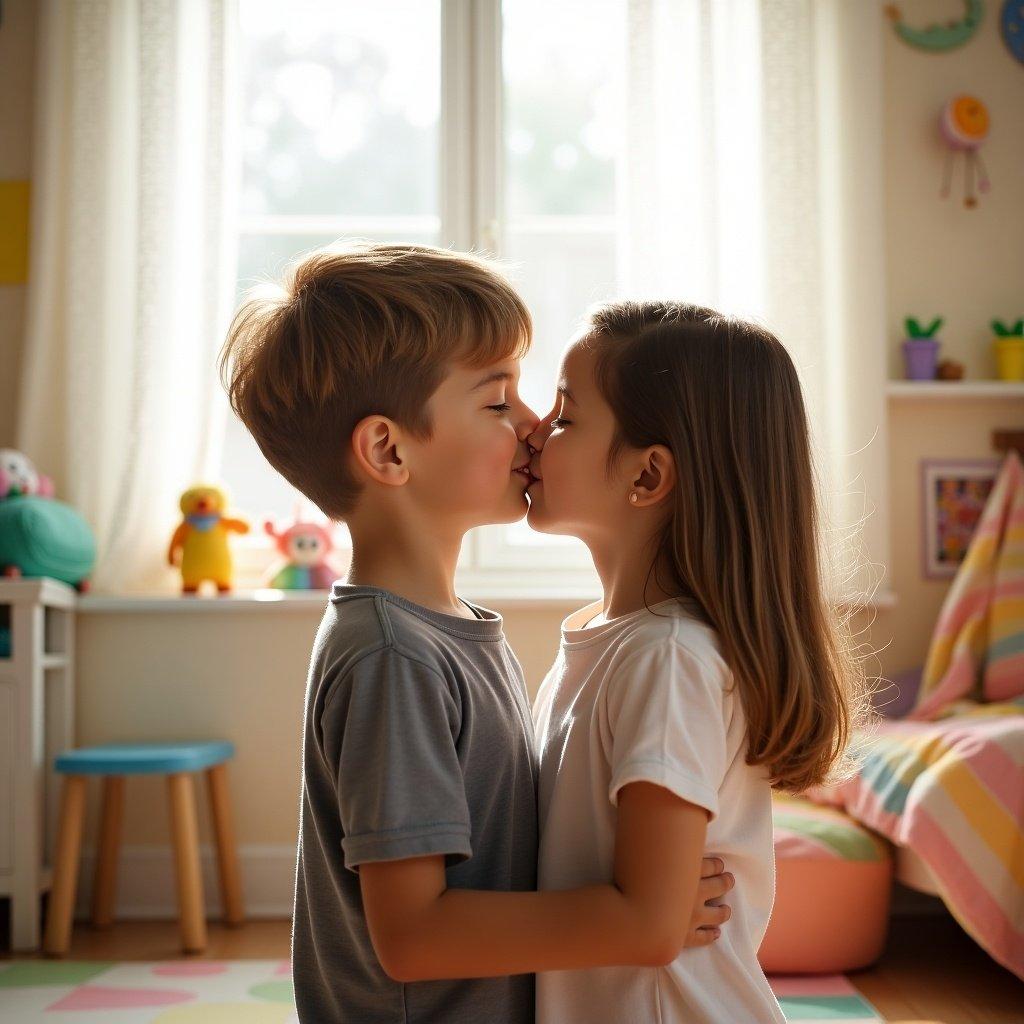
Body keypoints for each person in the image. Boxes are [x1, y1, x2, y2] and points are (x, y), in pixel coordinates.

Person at [219, 247, 734, 1024]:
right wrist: (630, 919)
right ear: (390, 450)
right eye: (498, 404)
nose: (534, 426)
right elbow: (414, 936)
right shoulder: (395, 657)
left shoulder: (444, 631)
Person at [526, 300, 872, 1023]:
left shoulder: (668, 659)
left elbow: (650, 926)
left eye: (564, 418)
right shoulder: (610, 638)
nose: (532, 430)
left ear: (647, 477)